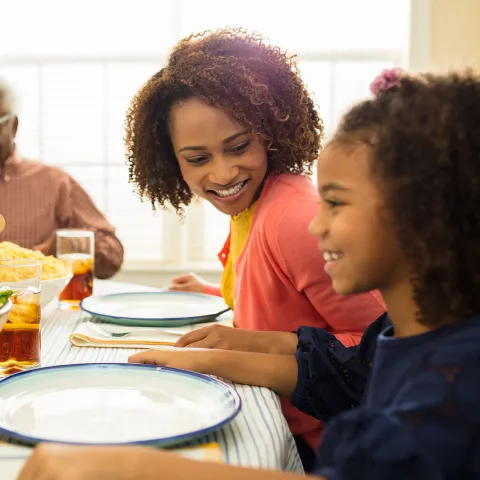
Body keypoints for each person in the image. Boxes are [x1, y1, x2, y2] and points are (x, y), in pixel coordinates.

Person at [18, 68, 480, 479]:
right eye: (197, 158)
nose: (318, 222)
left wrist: (132, 466)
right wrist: (229, 351)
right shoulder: (400, 335)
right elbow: (342, 368)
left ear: (423, 214)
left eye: (334, 202)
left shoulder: (452, 392)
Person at [124, 27, 385, 463]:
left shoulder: (294, 219)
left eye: (239, 146)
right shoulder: (252, 206)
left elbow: (380, 346)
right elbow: (287, 305)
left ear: (270, 130)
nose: (224, 174)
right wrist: (210, 294)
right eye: (198, 159)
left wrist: (231, 353)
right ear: (172, 161)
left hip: (328, 448)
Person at [0, 78, 124, 279]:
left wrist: (68, 242)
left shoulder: (54, 182)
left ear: (13, 126)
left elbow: (113, 256)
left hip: (40, 307)